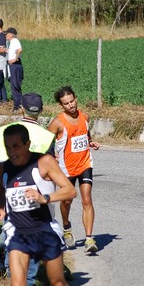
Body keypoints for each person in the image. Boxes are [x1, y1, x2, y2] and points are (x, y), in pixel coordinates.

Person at [0, 123, 77, 286]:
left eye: (16, 146)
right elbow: (2, 186)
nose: (12, 152)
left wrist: (44, 198)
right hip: (19, 234)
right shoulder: (2, 168)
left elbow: (70, 190)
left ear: (28, 144)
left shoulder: (44, 162)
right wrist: (0, 207)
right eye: (8, 148)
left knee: (58, 283)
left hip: (44, 231)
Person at [0, 92, 55, 286]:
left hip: (6, 187)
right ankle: (26, 280)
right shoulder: (47, 136)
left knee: (11, 229)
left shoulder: (6, 130)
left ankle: (12, 275)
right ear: (40, 111)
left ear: (21, 108)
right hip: (34, 189)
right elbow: (52, 167)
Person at [48, 85, 100, 254]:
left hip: (85, 163)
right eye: (66, 103)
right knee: (67, 201)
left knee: (87, 199)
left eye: (72, 101)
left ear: (76, 99)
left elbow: (86, 135)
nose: (70, 105)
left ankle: (89, 238)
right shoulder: (57, 122)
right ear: (61, 105)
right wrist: (50, 160)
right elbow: (45, 143)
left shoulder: (85, 116)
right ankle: (66, 227)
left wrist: (90, 142)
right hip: (66, 168)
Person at [5, 27, 23, 113]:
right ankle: (19, 105)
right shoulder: (12, 42)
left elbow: (19, 50)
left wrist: (15, 59)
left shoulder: (15, 41)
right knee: (15, 85)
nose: (6, 35)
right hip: (14, 65)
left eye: (7, 33)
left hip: (15, 65)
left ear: (11, 34)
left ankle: (17, 106)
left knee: (15, 86)